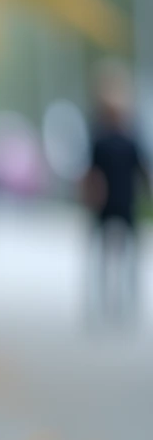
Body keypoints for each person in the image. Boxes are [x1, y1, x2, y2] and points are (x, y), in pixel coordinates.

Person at [82, 60, 149, 324]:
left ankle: (113, 301)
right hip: (121, 202)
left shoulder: (100, 138)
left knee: (107, 254)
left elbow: (91, 173)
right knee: (123, 254)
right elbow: (143, 171)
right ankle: (122, 302)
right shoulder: (127, 139)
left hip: (109, 202)